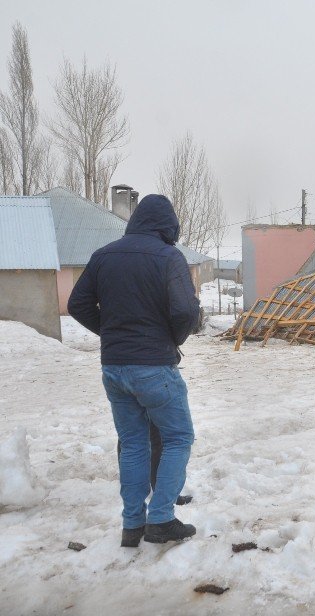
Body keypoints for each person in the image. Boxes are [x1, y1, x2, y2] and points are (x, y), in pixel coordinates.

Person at [68, 194, 201, 547]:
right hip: (154, 365)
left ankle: (132, 525)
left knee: (133, 443)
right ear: (169, 225)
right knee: (178, 438)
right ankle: (161, 519)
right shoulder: (169, 257)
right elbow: (185, 311)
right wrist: (171, 339)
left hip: (114, 367)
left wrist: (113, 333)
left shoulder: (103, 255)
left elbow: (77, 304)